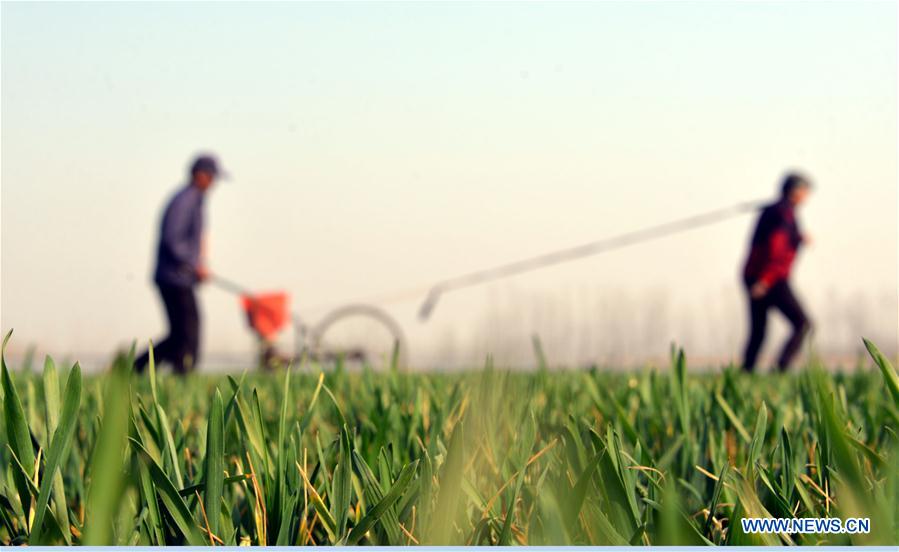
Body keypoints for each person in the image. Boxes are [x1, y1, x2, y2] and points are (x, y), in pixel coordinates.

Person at [135, 154, 224, 373]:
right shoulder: (185, 200)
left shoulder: (194, 200)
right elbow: (172, 239)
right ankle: (164, 372)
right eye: (212, 177)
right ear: (200, 175)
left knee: (181, 333)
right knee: (187, 332)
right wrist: (194, 265)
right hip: (174, 278)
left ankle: (137, 369)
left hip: (179, 277)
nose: (214, 183)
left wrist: (197, 266)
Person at [741, 172, 813, 372]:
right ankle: (781, 368)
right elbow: (775, 249)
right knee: (802, 324)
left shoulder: (778, 211)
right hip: (768, 278)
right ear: (796, 191)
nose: (807, 196)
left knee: (759, 331)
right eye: (805, 191)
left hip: (755, 276)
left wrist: (799, 238)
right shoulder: (783, 214)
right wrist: (765, 281)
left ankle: (747, 371)